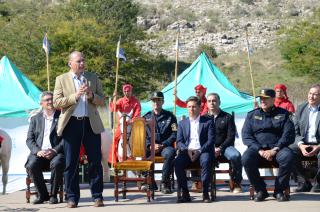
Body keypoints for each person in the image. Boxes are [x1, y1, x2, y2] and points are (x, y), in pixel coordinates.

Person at [53, 51, 105, 208]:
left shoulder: (93, 78)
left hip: (90, 124)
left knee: (95, 161)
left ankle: (97, 196)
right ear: (70, 63)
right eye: (79, 61)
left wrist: (91, 95)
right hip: (71, 124)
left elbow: (102, 100)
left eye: (83, 60)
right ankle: (72, 197)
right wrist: (75, 96)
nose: (82, 63)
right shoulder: (61, 79)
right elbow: (56, 102)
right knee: (71, 163)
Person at [242, 88, 295, 202]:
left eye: (266, 99)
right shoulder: (252, 115)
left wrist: (275, 149)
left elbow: (289, 135)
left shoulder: (284, 114)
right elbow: (246, 136)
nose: (262, 101)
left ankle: (279, 191)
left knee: (288, 156)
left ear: (273, 99)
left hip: (278, 148)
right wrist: (260, 150)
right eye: (261, 98)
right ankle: (261, 190)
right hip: (258, 149)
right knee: (246, 158)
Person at [25, 91, 64, 204]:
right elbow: (29, 139)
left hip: (56, 152)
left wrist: (54, 150)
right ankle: (42, 195)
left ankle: (53, 195)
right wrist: (38, 151)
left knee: (57, 163)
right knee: (31, 165)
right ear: (41, 103)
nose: (50, 101)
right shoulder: (35, 119)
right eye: (47, 100)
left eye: (51, 99)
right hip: (39, 153)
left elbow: (66, 139)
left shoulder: (61, 116)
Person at [174, 96, 215, 203]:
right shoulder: (182, 123)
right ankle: (185, 193)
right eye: (189, 107)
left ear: (199, 108)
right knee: (177, 163)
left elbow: (211, 141)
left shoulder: (208, 122)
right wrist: (187, 149)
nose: (191, 109)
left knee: (206, 161)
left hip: (202, 151)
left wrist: (199, 151)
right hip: (187, 151)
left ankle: (205, 193)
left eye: (194, 107)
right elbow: (179, 142)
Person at [205, 93, 242, 193]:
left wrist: (220, 148)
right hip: (208, 148)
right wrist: (211, 148)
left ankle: (236, 183)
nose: (212, 103)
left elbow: (231, 137)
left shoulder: (227, 117)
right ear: (206, 103)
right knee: (196, 155)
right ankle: (200, 183)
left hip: (225, 147)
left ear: (219, 102)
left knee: (236, 156)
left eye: (214, 100)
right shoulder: (203, 118)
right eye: (209, 101)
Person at [143, 91, 177, 194]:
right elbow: (142, 135)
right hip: (150, 147)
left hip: (165, 146)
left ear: (163, 102)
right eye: (154, 100)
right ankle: (149, 181)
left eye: (158, 100)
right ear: (151, 102)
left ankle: (164, 182)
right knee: (140, 153)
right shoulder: (145, 118)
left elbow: (174, 134)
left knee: (171, 153)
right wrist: (150, 145)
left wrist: (163, 144)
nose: (156, 102)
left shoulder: (171, 117)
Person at [290, 84, 320, 193]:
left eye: (315, 94)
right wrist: (301, 145)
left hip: (318, 144)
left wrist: (318, 147)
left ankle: (318, 183)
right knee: (288, 152)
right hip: (304, 143)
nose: (311, 97)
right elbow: (295, 131)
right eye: (310, 93)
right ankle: (303, 182)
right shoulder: (301, 108)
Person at [108, 83, 141, 164]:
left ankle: (139, 156)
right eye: (125, 91)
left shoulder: (136, 102)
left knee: (140, 138)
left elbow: (137, 114)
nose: (127, 92)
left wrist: (131, 121)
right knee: (115, 138)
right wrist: (114, 98)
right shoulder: (120, 101)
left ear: (131, 91)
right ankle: (113, 160)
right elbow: (113, 109)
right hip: (122, 125)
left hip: (133, 125)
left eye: (128, 91)